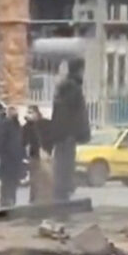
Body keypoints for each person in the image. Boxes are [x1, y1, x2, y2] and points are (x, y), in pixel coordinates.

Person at [51, 57, 90, 202]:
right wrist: (78, 132)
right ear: (79, 70)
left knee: (63, 164)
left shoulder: (63, 88)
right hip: (68, 134)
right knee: (65, 165)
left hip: (62, 134)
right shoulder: (73, 89)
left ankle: (62, 192)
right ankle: (63, 194)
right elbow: (74, 115)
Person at [23, 106, 54, 204]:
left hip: (45, 155)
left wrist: (48, 150)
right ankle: (34, 200)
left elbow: (51, 137)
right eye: (28, 112)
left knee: (45, 178)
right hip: (34, 156)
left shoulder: (46, 124)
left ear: (37, 113)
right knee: (35, 179)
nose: (30, 114)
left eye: (31, 112)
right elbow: (23, 141)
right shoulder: (27, 126)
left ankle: (45, 200)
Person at [0, 106, 25, 208]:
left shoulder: (17, 125)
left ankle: (10, 199)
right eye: (12, 111)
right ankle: (6, 199)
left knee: (12, 180)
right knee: (7, 180)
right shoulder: (5, 124)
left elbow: (21, 141)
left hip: (15, 157)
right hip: (8, 157)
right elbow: (1, 141)